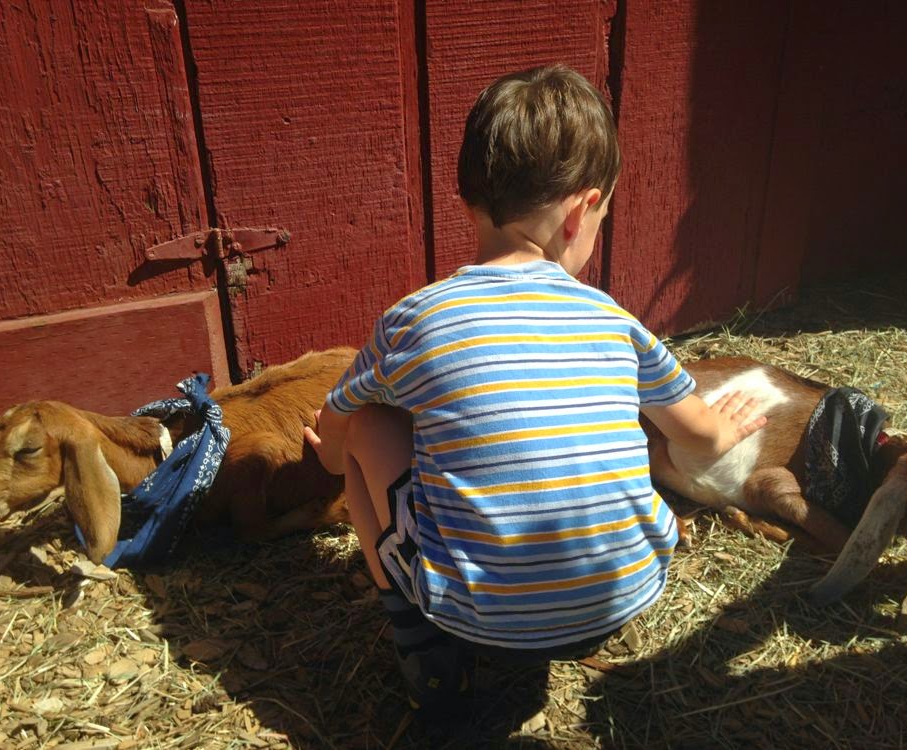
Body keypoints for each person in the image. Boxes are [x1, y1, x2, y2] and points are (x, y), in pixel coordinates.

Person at [303, 64, 765, 717]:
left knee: (369, 427)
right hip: (622, 596)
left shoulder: (415, 321)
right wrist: (730, 425)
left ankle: (425, 654)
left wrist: (333, 453)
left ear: (467, 199)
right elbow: (702, 436)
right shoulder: (614, 322)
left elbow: (335, 431)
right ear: (580, 212)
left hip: (476, 618)